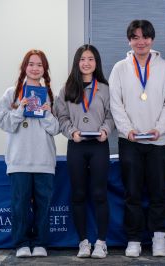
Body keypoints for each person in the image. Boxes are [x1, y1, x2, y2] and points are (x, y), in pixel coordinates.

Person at [109, 19, 165, 257]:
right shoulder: (119, 68)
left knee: (159, 191)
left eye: (145, 37)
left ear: (152, 39)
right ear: (129, 40)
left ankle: (159, 238)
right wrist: (127, 129)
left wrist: (161, 129)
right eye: (136, 37)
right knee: (132, 192)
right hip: (130, 142)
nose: (141, 42)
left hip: (158, 142)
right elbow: (115, 103)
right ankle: (134, 239)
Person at [0, 49, 59, 258]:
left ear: (45, 69)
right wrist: (20, 108)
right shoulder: (12, 93)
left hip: (43, 159)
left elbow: (56, 128)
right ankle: (21, 243)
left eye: (39, 65)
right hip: (19, 159)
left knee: (43, 204)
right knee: (20, 205)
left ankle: (40, 243)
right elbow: (4, 123)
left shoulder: (50, 95)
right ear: (24, 67)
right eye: (31, 64)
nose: (35, 68)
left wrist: (47, 113)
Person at [55, 44, 114, 259]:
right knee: (78, 194)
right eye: (82, 59)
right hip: (77, 146)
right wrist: (72, 132)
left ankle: (101, 242)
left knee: (99, 194)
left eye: (90, 59)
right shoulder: (67, 89)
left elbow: (111, 116)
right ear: (76, 63)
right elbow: (61, 118)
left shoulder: (105, 89)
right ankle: (83, 242)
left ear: (96, 63)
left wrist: (106, 130)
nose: (86, 63)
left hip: (99, 145)